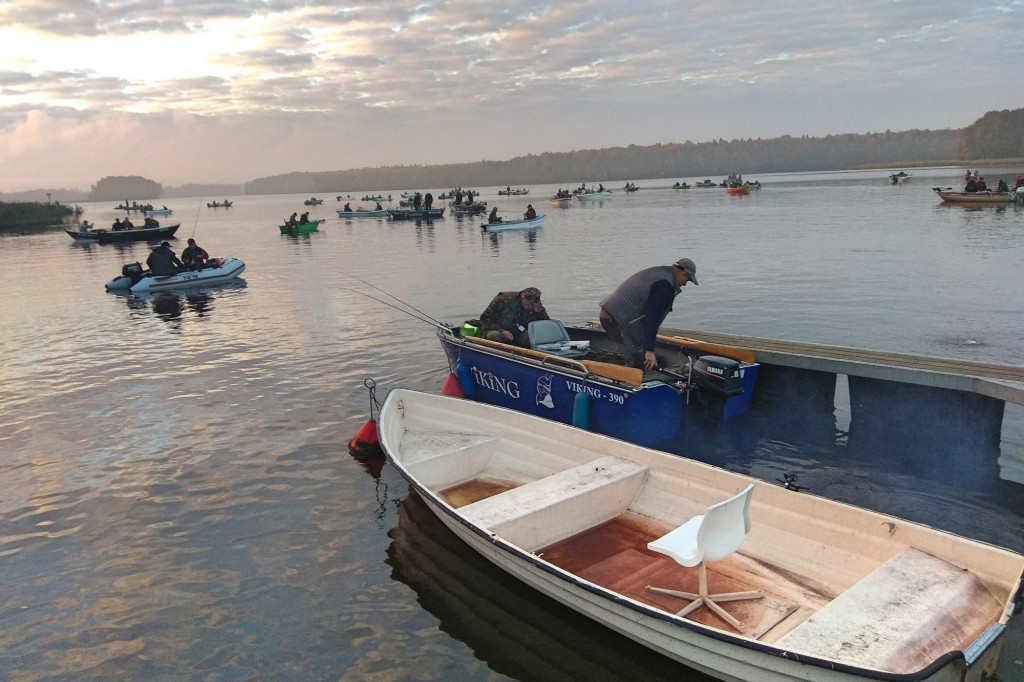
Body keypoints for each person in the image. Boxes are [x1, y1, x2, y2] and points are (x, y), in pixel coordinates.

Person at [599, 258, 698, 370]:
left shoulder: (661, 274)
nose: (685, 285)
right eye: (688, 280)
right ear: (683, 274)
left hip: (616, 315)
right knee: (635, 361)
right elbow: (652, 318)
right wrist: (649, 351)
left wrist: (646, 347)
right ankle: (630, 382)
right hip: (615, 318)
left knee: (639, 355)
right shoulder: (665, 286)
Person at [479, 287, 549, 347]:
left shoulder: (536, 305)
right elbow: (485, 318)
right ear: (523, 297)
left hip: (519, 332)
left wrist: (539, 312)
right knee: (494, 336)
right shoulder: (502, 299)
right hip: (499, 330)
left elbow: (545, 324)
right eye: (529, 304)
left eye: (534, 304)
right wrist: (502, 331)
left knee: (530, 337)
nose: (531, 307)